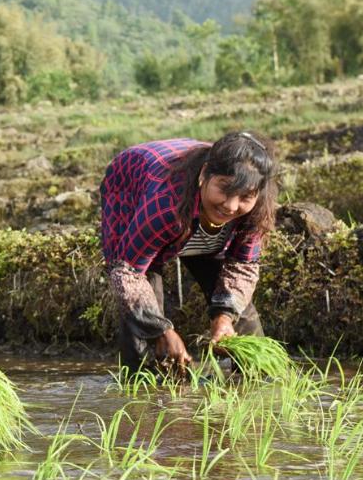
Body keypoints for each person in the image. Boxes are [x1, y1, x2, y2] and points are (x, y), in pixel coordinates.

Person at [99, 132, 278, 373]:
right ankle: (140, 387)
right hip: (133, 180)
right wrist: (161, 330)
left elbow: (243, 266)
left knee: (239, 314)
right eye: (224, 189)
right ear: (205, 175)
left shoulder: (256, 211)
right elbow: (129, 272)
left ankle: (255, 380)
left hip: (197, 220)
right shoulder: (165, 203)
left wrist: (224, 317)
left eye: (245, 197)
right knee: (143, 312)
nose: (231, 206)